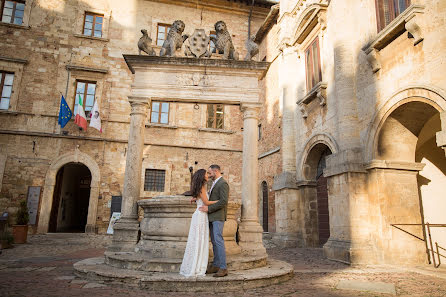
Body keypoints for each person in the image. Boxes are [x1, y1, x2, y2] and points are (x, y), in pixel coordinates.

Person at [179, 169, 217, 277]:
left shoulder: (200, 187)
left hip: (199, 214)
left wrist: (195, 199)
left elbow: (201, 198)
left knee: (197, 239)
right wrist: (220, 201)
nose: (207, 175)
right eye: (206, 174)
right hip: (201, 216)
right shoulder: (202, 188)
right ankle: (197, 266)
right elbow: (207, 202)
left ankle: (194, 264)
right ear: (202, 176)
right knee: (199, 240)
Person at [199, 164, 229, 278]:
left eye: (210, 173)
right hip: (212, 217)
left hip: (218, 217)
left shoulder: (223, 183)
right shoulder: (213, 183)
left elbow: (223, 202)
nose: (209, 175)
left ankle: (223, 267)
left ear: (216, 171)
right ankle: (216, 265)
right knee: (215, 241)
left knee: (218, 240)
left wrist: (209, 208)